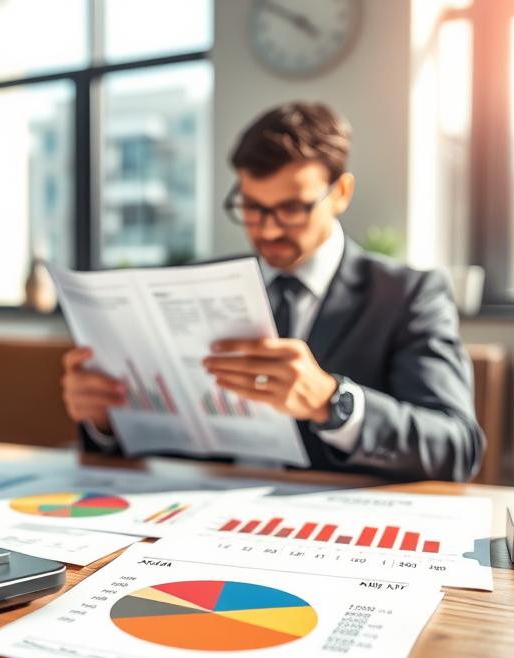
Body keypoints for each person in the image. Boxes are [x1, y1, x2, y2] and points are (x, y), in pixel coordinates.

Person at [61, 102, 484, 482]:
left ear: (340, 193)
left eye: (292, 208)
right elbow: (164, 447)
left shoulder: (408, 294)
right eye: (251, 207)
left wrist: (331, 402)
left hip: (328, 529)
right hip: (194, 513)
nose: (267, 229)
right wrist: (105, 420)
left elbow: (456, 447)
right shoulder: (195, 284)